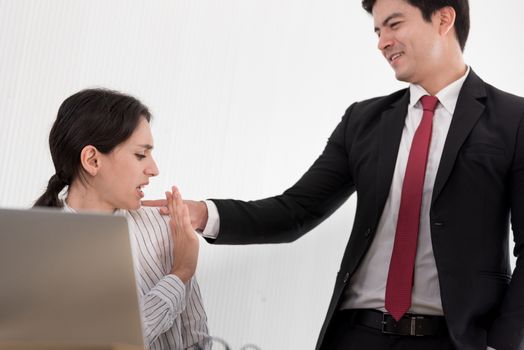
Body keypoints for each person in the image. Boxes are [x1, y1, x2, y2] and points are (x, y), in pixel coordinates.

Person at [145, 0, 524, 349]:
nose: (382, 42)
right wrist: (203, 214)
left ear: (444, 18)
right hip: (354, 336)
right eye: (377, 31)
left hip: (457, 340)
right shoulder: (364, 121)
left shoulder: (513, 119)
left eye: (393, 25)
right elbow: (297, 210)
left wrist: (505, 342)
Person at [34, 88, 210, 350]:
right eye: (140, 154)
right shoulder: (41, 250)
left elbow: (197, 339)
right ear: (92, 160)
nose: (154, 169)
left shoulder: (166, 228)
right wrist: (179, 274)